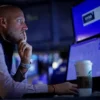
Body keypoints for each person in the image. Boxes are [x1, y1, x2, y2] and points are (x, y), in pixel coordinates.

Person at [0, 5, 78, 99]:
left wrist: (25, 63)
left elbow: (15, 91)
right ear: (3, 22)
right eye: (20, 21)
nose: (25, 27)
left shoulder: (7, 45)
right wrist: (55, 88)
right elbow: (9, 91)